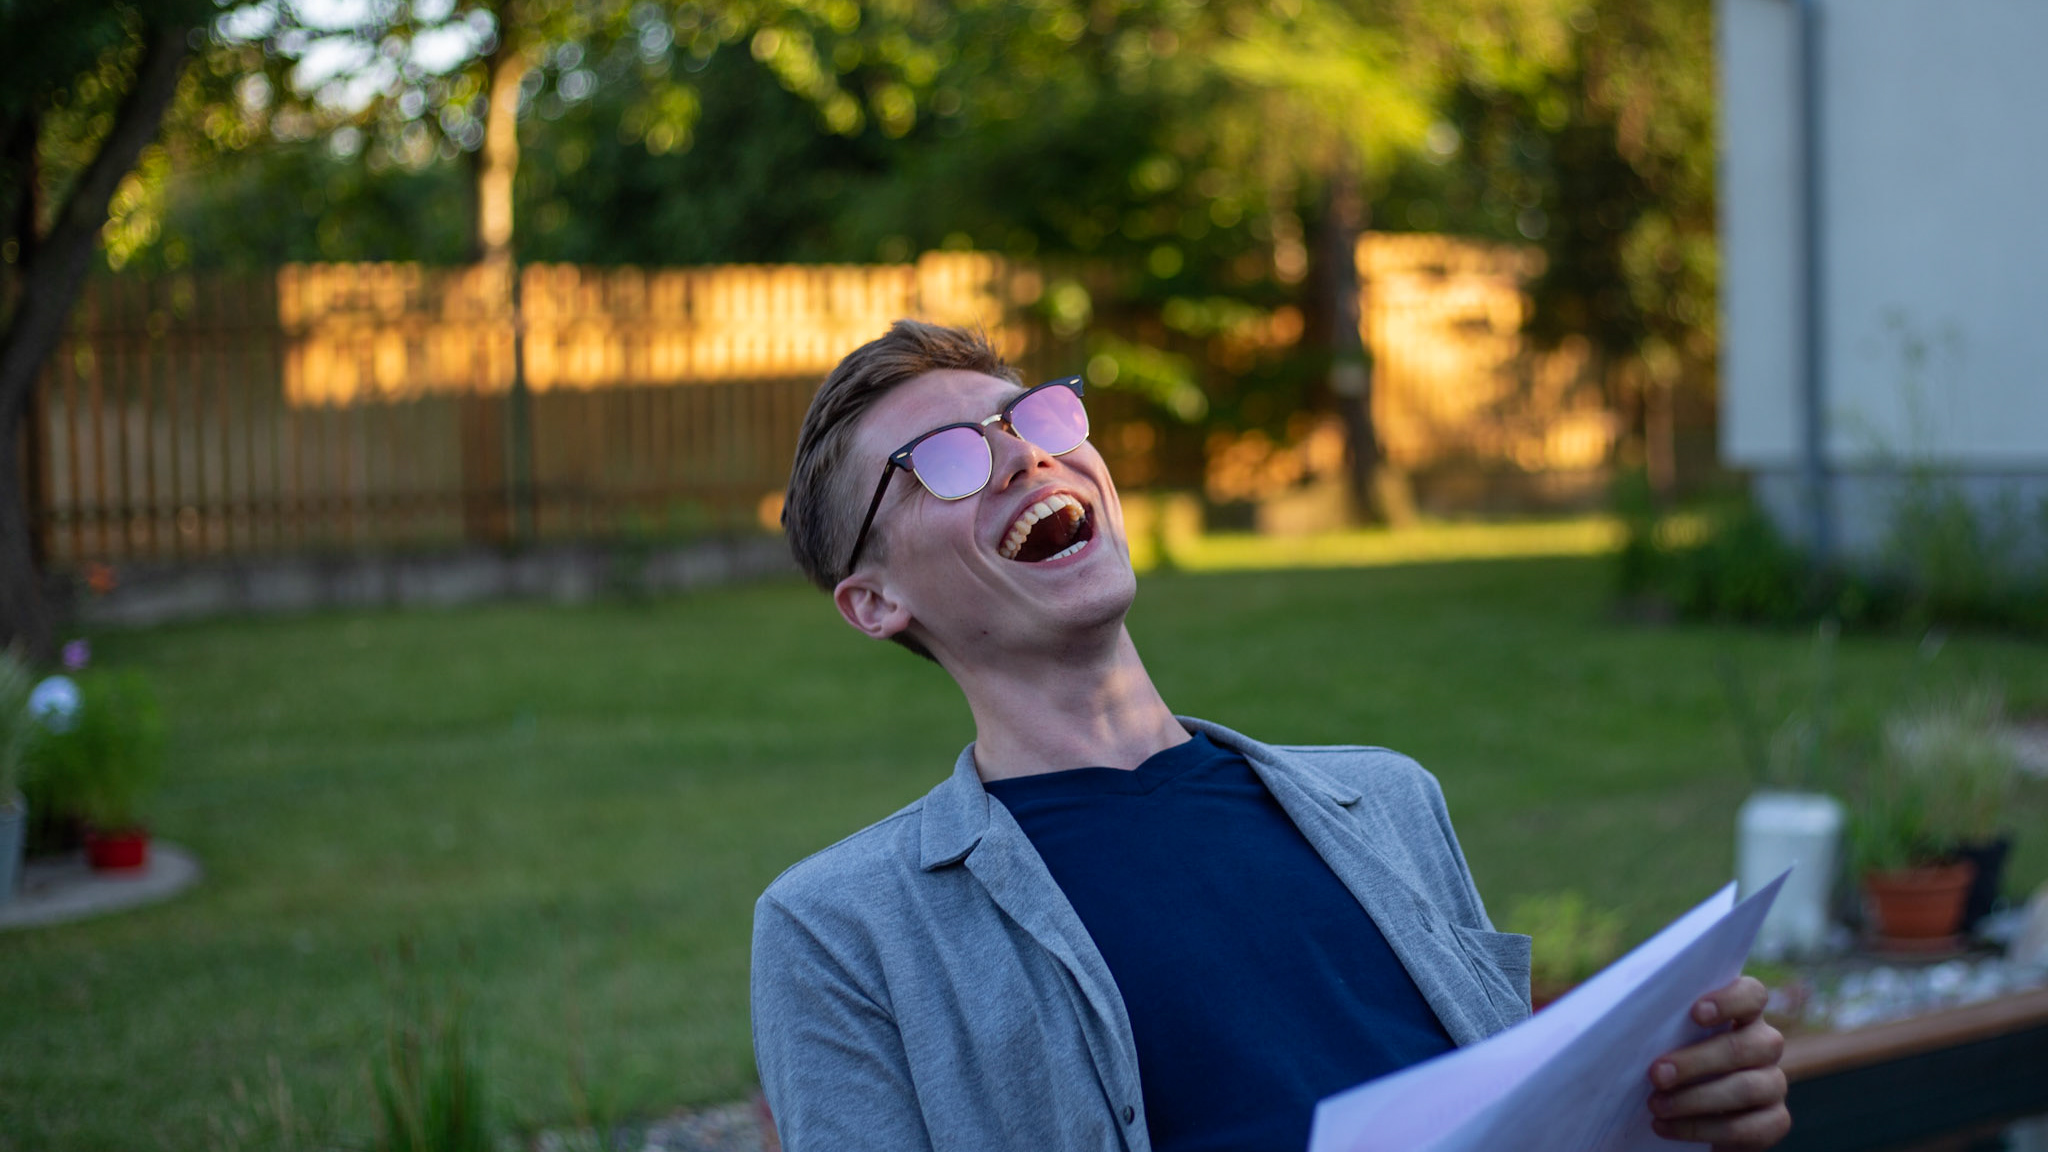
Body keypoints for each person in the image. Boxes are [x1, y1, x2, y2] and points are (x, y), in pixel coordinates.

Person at [752, 320, 1791, 1152]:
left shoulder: (1388, 804)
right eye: (944, 459)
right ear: (873, 602)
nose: (1026, 456)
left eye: (1036, 418)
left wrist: (1674, 1107)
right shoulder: (843, 930)